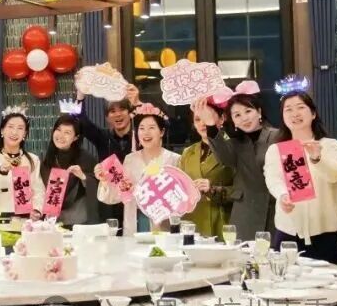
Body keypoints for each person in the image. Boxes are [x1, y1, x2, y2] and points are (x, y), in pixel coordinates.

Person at [263, 89, 337, 306]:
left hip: (326, 236)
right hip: (289, 236)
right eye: (288, 109)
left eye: (300, 107)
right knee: (290, 305)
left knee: (331, 304)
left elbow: (335, 176)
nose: (294, 113)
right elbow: (273, 179)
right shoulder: (277, 149)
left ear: (313, 113)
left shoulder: (329, 145)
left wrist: (317, 157)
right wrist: (282, 196)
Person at [193, 84, 279, 238]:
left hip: (276, 212)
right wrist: (211, 124)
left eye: (248, 111)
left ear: (259, 112)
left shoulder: (278, 136)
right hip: (245, 216)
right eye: (237, 115)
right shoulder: (235, 143)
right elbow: (224, 157)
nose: (244, 118)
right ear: (232, 120)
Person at [96, 103, 181, 235]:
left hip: (163, 227)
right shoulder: (130, 159)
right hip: (134, 224)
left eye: (151, 127)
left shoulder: (174, 160)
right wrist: (105, 180)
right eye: (141, 128)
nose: (146, 133)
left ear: (162, 132)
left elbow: (180, 199)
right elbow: (117, 195)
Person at [74, 92, 134, 223]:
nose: (118, 114)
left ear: (130, 113)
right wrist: (80, 96)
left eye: (122, 109)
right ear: (107, 118)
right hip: (110, 202)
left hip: (135, 200)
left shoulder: (141, 137)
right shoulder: (103, 137)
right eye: (112, 111)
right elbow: (81, 120)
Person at [179, 104, 235, 238]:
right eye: (197, 119)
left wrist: (213, 189)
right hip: (192, 221)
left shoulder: (234, 148)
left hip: (222, 220)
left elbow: (243, 189)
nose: (202, 123)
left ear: (222, 118)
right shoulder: (188, 152)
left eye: (206, 117)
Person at [0, 109, 45, 218]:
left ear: (25, 133)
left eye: (20, 128)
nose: (14, 132)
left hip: (25, 222)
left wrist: (37, 209)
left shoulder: (33, 160)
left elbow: (39, 190)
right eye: (10, 127)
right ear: (2, 130)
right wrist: (0, 173)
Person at [39, 114, 96, 226]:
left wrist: (83, 177)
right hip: (53, 221)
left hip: (78, 221)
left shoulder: (85, 157)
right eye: (58, 130)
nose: (61, 135)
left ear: (75, 138)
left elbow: (100, 185)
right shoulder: (49, 157)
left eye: (67, 132)